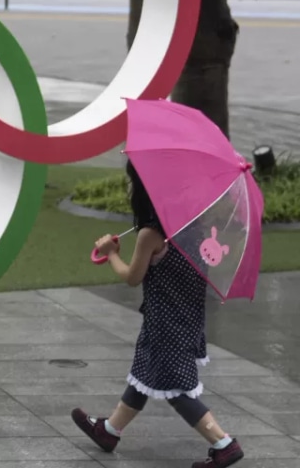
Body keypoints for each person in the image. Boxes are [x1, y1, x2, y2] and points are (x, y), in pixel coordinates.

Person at [71, 161, 244, 468]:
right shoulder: (191, 224)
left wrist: (111, 254)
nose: (128, 188)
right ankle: (110, 430)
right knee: (145, 374)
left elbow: (132, 276)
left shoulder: (151, 235)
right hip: (185, 318)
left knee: (178, 390)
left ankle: (223, 444)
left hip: (166, 324)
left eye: (132, 182)